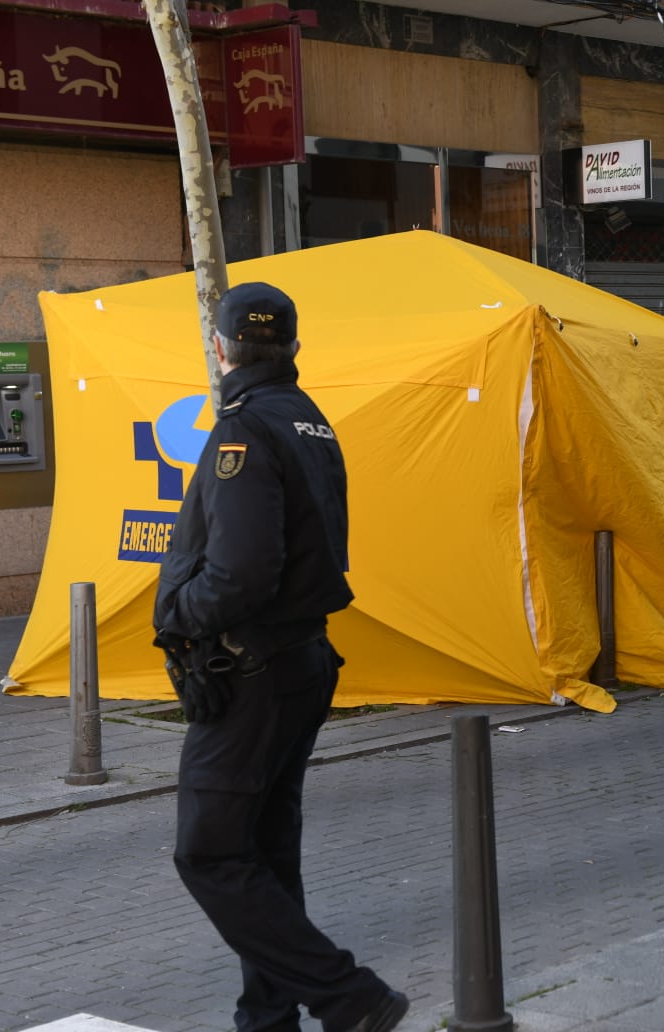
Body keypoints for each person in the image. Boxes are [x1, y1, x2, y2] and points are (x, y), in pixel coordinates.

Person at [153, 281, 408, 1032]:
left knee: (208, 854)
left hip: (254, 669)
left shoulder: (245, 430)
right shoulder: (307, 420)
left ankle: (349, 996)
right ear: (294, 347)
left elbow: (242, 571)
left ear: (222, 348)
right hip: (298, 662)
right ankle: (268, 1020)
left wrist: (181, 617)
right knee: (263, 852)